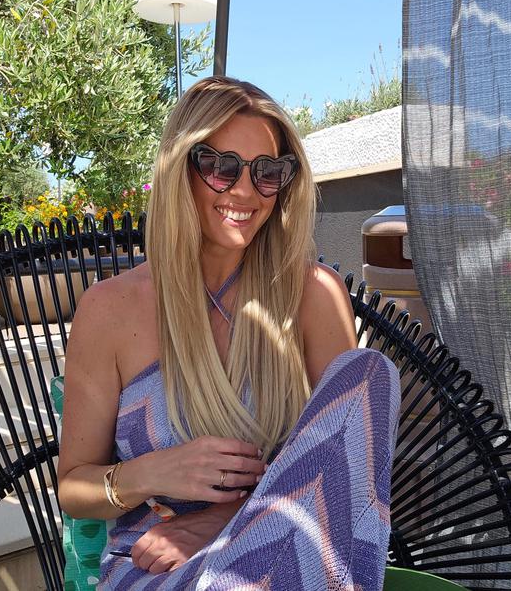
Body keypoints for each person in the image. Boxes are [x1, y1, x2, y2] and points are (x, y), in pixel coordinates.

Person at [57, 76, 400, 590]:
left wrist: (226, 519)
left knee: (370, 371)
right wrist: (156, 471)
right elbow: (73, 486)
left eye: (268, 172)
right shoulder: (109, 310)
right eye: (221, 167)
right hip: (157, 565)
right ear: (181, 170)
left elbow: (337, 461)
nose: (244, 190)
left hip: (295, 553)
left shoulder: (312, 295)